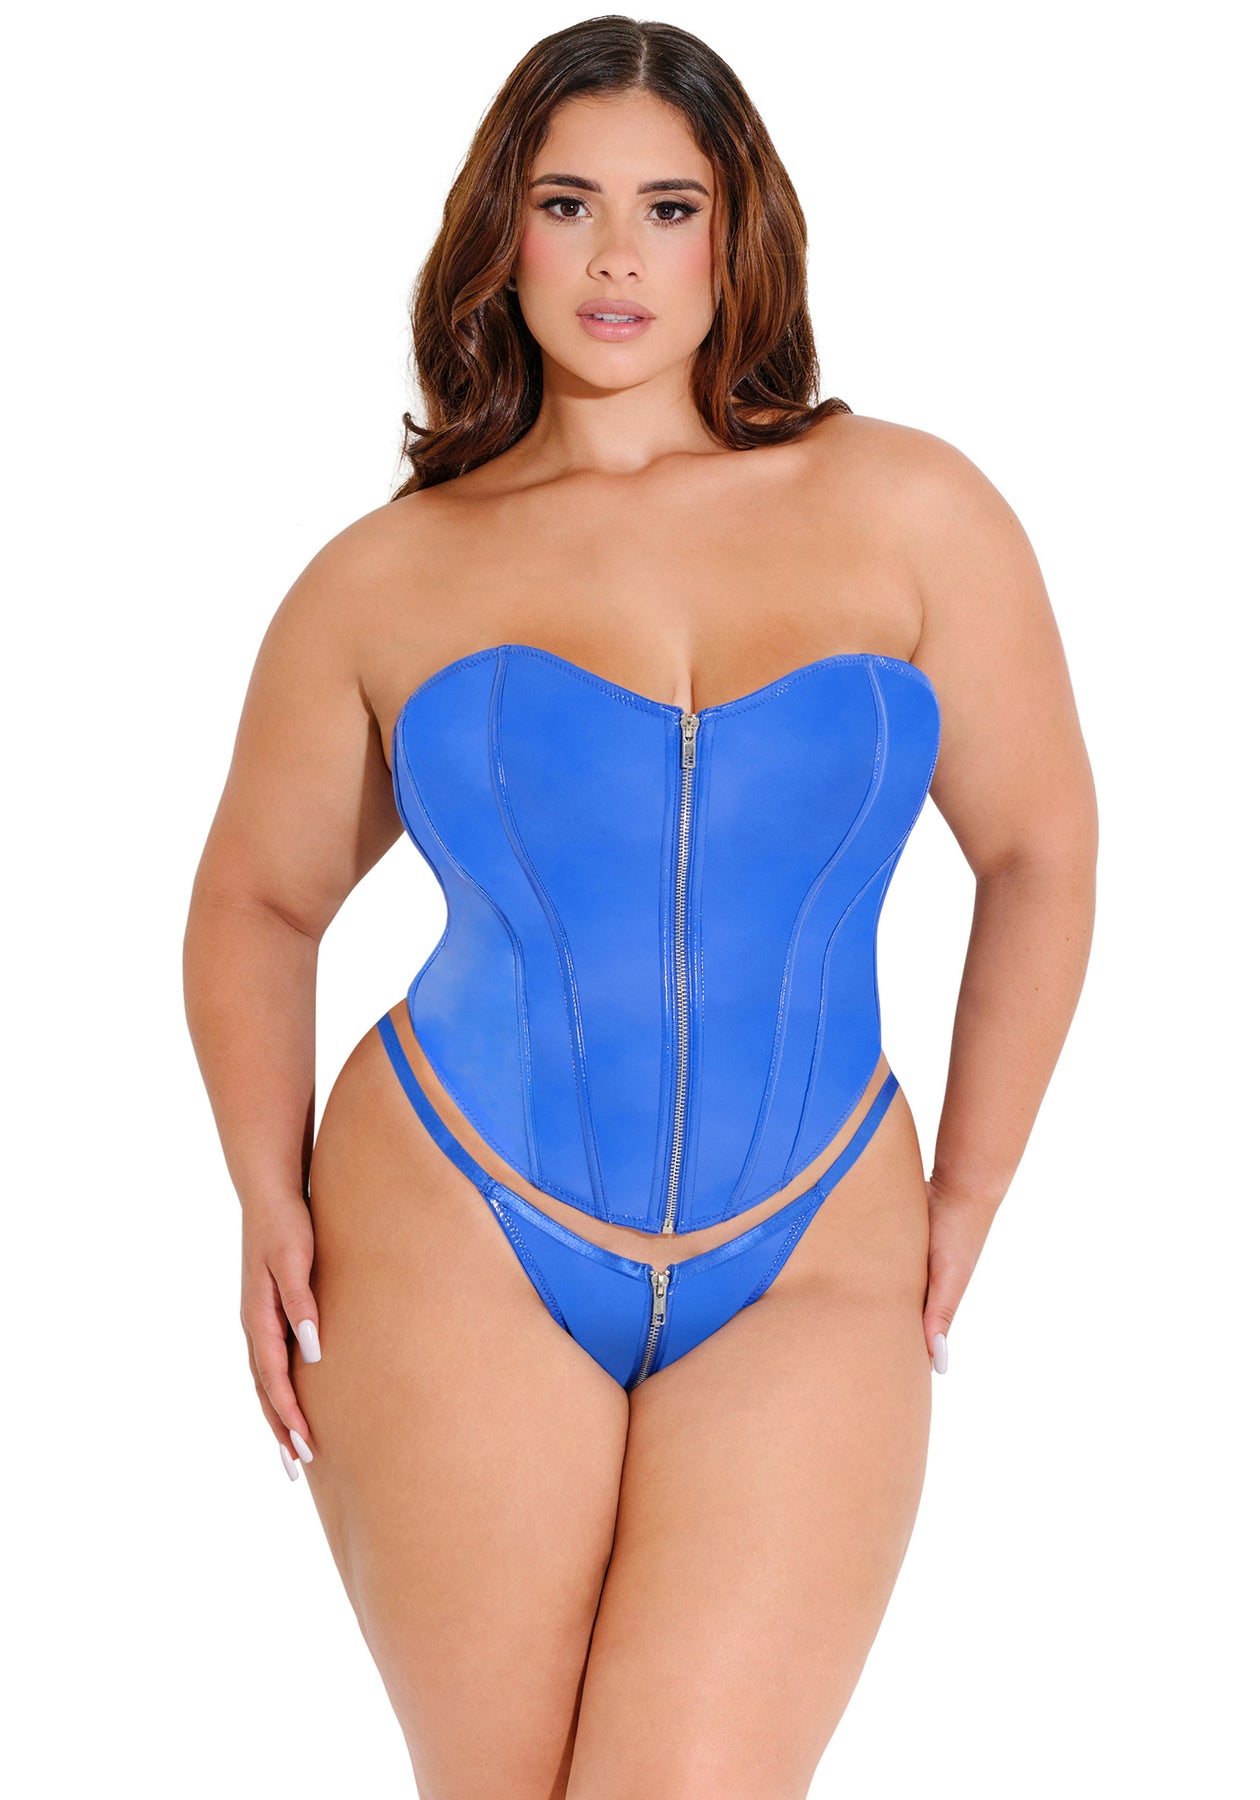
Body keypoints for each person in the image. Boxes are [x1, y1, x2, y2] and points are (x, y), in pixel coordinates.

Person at [183, 16, 1097, 1797]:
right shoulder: (386, 576)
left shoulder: (910, 507)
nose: (617, 257)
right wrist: (262, 1191)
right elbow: (257, 901)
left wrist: (973, 1192)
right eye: (568, 204)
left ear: (736, 234)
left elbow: (1043, 851)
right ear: (499, 236)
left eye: (669, 208)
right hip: (452, 1223)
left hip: (816, 1242)